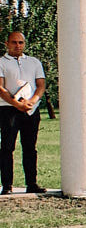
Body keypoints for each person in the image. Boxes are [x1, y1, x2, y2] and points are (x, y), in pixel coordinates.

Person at [1, 29, 46, 195]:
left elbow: (40, 85)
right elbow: (1, 87)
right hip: (8, 109)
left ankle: (32, 183)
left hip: (30, 109)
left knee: (30, 147)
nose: (17, 46)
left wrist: (32, 101)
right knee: (7, 147)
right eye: (14, 42)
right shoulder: (2, 62)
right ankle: (7, 185)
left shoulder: (34, 62)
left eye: (20, 42)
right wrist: (16, 104)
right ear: (7, 44)